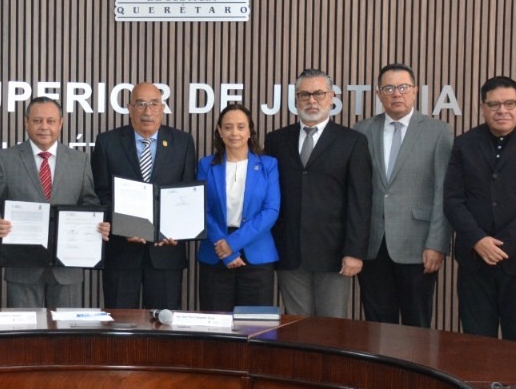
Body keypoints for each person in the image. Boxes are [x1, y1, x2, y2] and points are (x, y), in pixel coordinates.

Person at [444, 76, 516, 344]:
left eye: (509, 103)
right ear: (482, 107)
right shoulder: (464, 144)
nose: (502, 110)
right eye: (494, 104)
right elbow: (452, 199)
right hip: (475, 260)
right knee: (476, 344)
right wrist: (478, 240)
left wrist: (501, 245)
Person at [0, 97, 110, 307]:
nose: (44, 127)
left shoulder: (80, 160)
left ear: (61, 124)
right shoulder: (6, 159)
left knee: (66, 327)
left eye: (50, 121)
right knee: (25, 327)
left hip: (67, 266)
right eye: (37, 120)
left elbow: (90, 203)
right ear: (26, 123)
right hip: (23, 266)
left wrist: (97, 224)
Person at [352, 63, 453, 327]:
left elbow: (443, 191)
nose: (396, 94)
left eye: (403, 87)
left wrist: (437, 243)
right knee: (376, 326)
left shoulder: (437, 131)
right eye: (389, 88)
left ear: (415, 91)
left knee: (416, 326)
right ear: (378, 94)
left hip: (418, 245)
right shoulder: (362, 130)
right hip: (373, 245)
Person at [266, 69, 372, 318]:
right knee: (295, 325)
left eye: (318, 94)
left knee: (331, 327)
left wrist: (354, 251)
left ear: (331, 97)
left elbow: (361, 201)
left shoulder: (353, 141)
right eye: (305, 95)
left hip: (334, 254)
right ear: (296, 99)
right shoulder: (276, 140)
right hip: (289, 251)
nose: (311, 101)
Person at [91, 81, 197, 309]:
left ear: (162, 108)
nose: (147, 111)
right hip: (121, 253)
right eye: (140, 104)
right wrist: (123, 226)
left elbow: (187, 194)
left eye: (154, 104)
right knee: (119, 323)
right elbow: (100, 193)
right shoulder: (107, 142)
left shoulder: (182, 142)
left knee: (163, 324)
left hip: (166, 252)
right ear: (130, 108)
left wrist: (178, 230)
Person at [196, 104, 280, 311]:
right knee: (215, 324)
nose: (234, 133)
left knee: (254, 325)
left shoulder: (268, 165)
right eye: (228, 127)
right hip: (215, 254)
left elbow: (271, 210)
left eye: (241, 127)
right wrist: (225, 248)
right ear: (219, 130)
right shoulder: (206, 165)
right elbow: (200, 208)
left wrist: (232, 244)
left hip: (257, 256)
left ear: (250, 131)